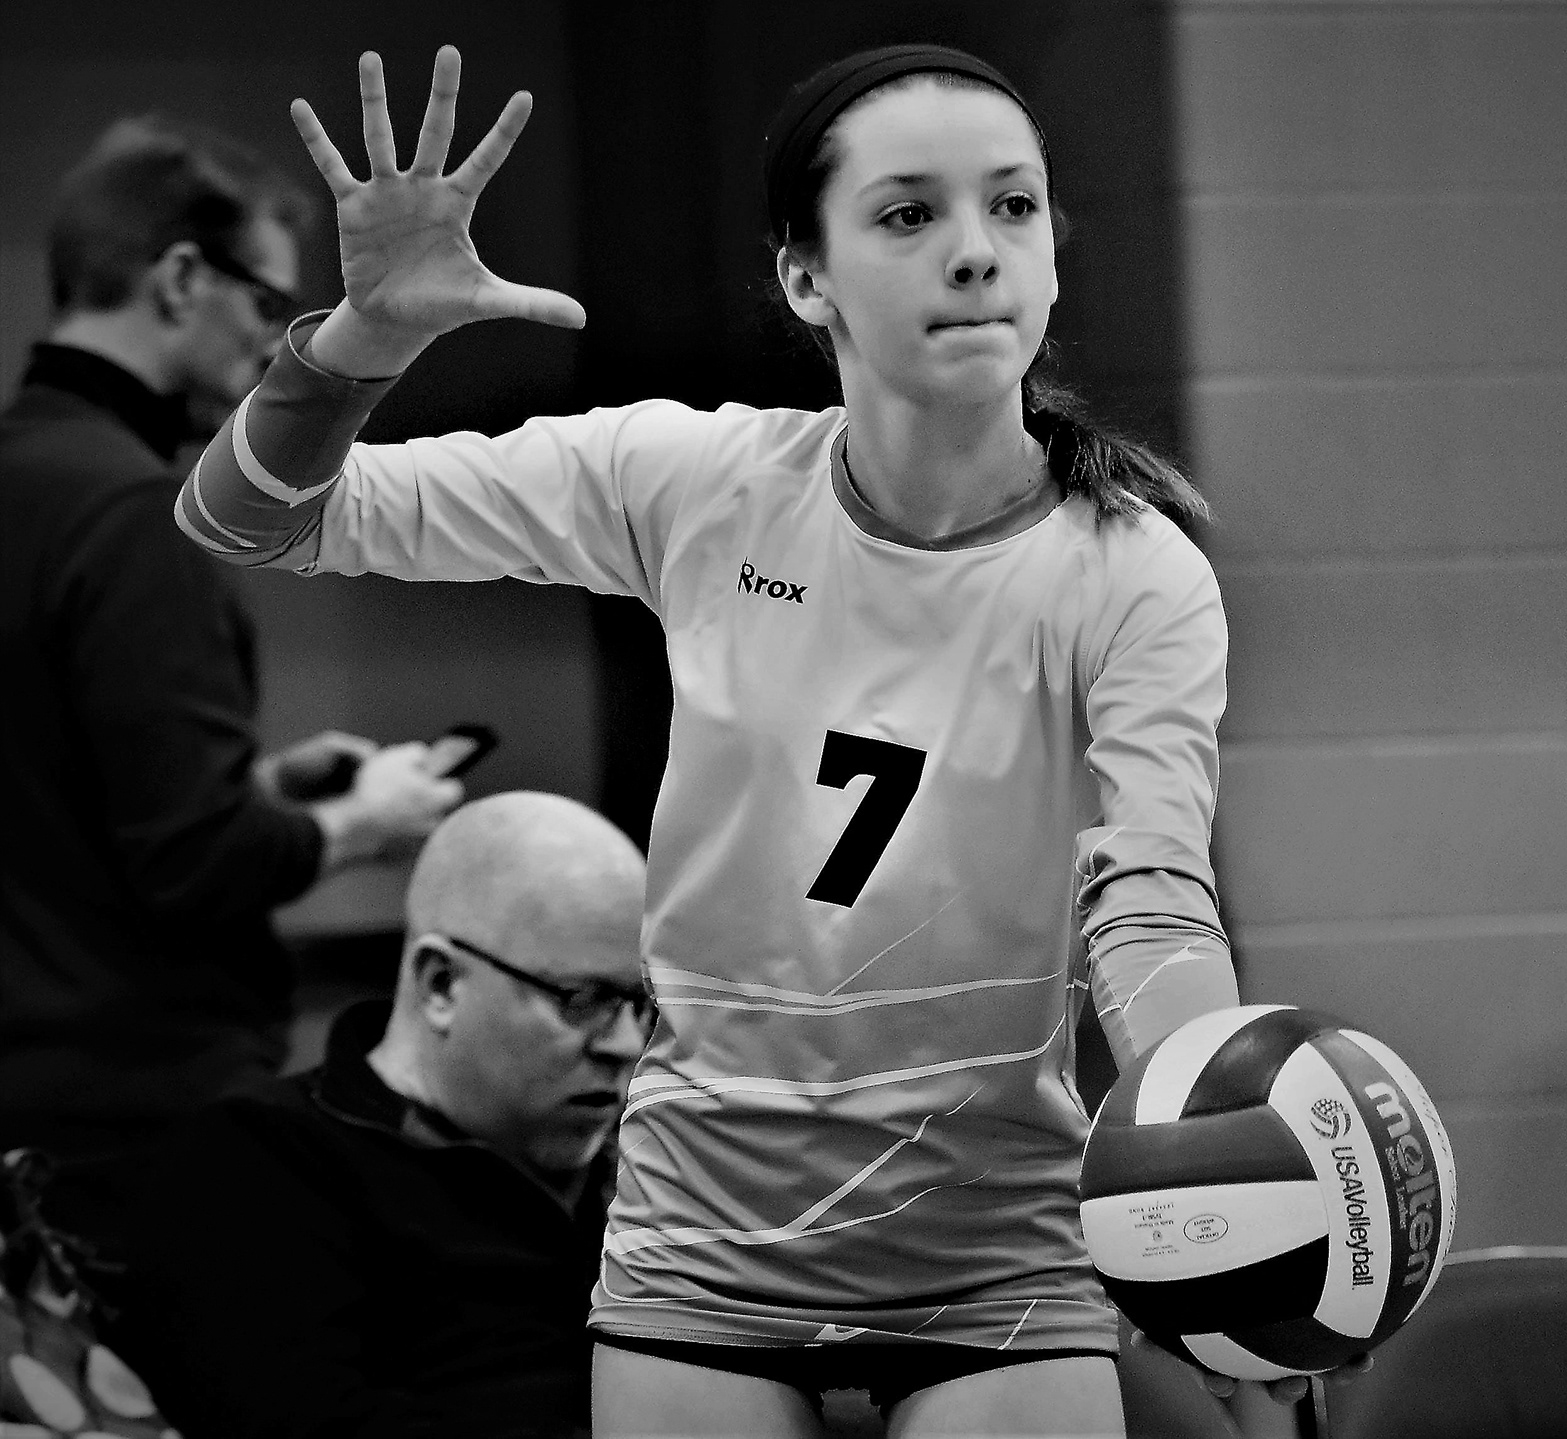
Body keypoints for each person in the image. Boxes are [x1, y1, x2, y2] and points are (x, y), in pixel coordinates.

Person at [173, 43, 1332, 1438]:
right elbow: (252, 516)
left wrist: (1213, 1167)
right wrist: (363, 339)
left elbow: (1149, 905)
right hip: (705, 1241)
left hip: (993, 1241)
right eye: (910, 213)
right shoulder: (697, 483)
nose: (976, 250)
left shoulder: (1132, 572)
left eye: (1013, 205)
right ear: (804, 278)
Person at [0, 115, 464, 1267]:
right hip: (140, 1113)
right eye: (268, 304)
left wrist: (255, 785)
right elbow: (197, 862)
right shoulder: (133, 516)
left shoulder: (24, 478)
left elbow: (49, 791)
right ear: (179, 280)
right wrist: (364, 819)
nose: (275, 343)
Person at [114, 791, 654, 1439]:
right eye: (584, 998)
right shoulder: (261, 1163)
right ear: (441, 984)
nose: (627, 1043)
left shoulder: (650, 1167)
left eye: (640, 1003)